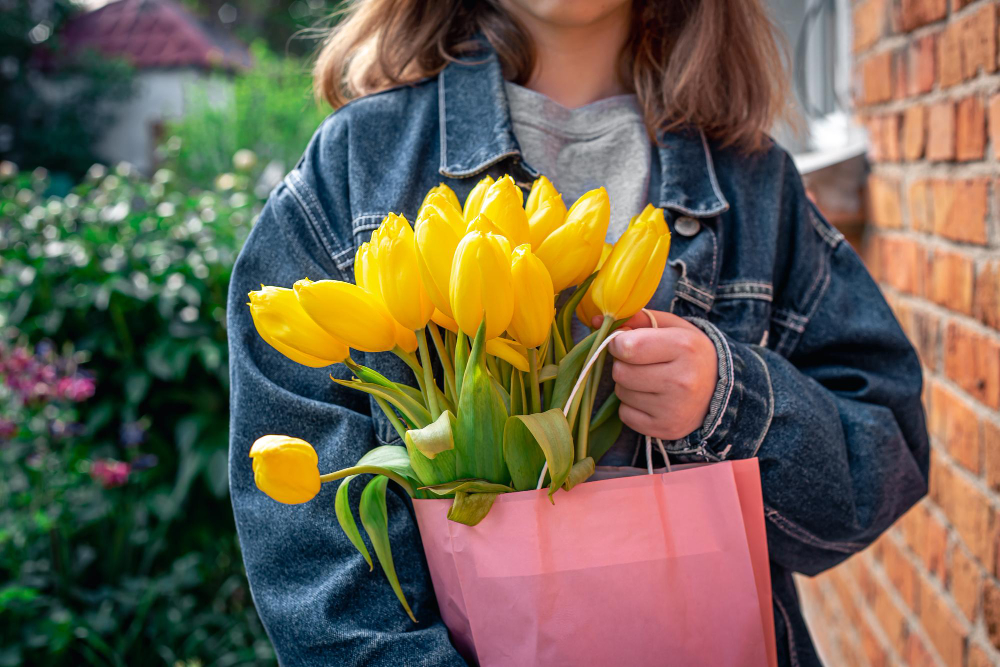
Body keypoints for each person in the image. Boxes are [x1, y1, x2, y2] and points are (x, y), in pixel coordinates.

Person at [227, 1, 930, 665]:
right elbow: (310, 557)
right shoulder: (358, 164)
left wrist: (729, 400)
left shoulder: (753, 182)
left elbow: (885, 457)